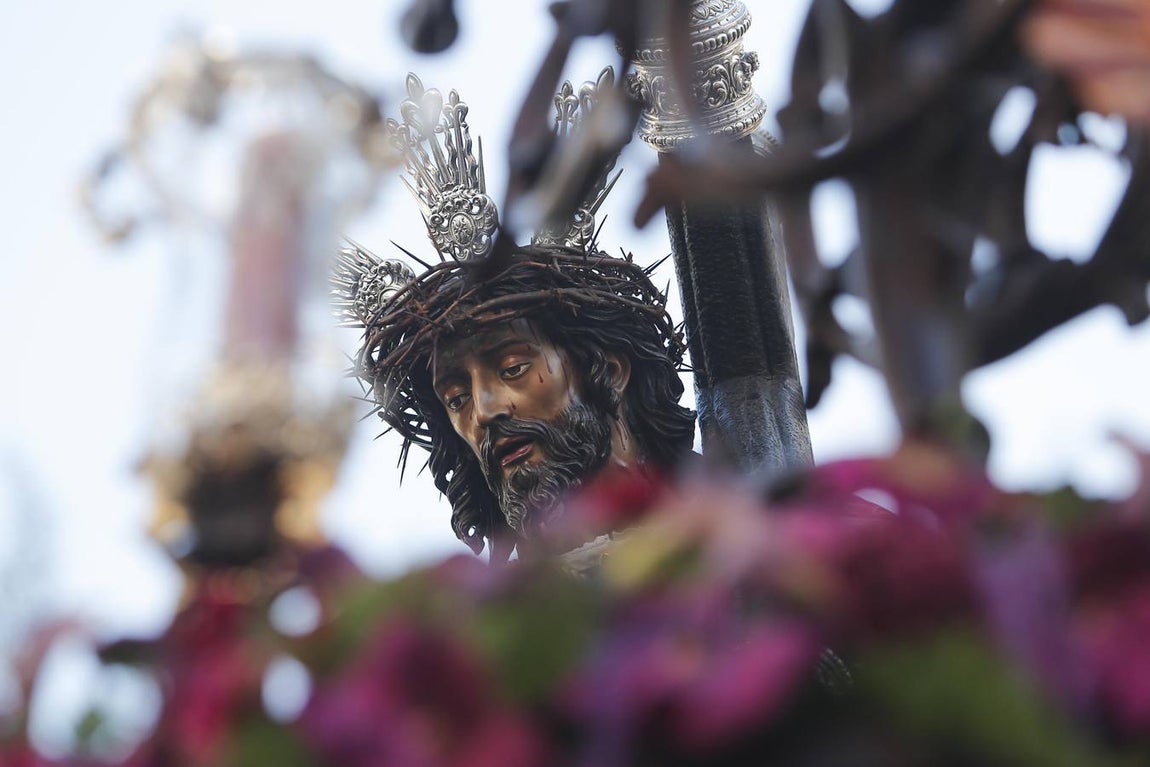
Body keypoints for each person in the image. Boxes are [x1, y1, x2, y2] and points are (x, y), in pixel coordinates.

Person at [333, 73, 696, 561]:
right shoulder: (484, 621)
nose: (484, 412)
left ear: (607, 370)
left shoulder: (746, 528)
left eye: (512, 369)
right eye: (456, 398)